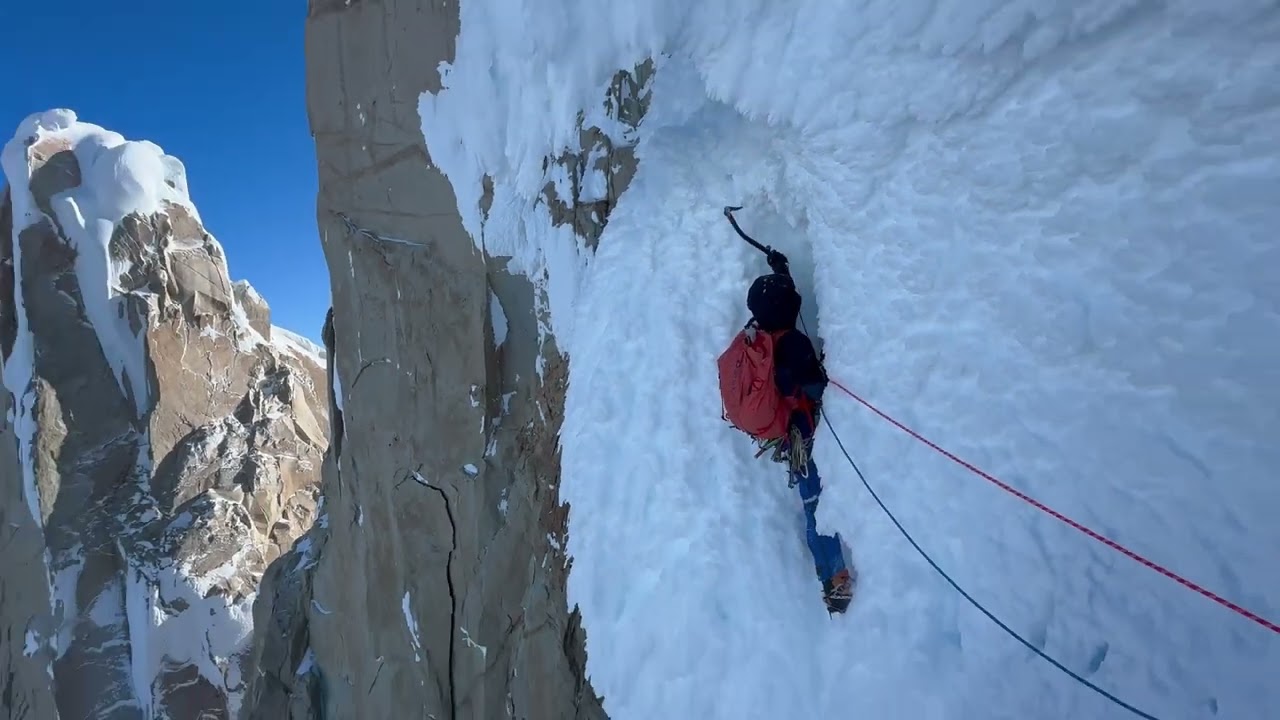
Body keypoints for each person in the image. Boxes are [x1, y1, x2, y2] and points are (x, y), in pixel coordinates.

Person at [745, 248, 854, 612]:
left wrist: (780, 269)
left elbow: (779, 304)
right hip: (801, 433)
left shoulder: (759, 333)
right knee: (814, 503)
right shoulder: (791, 344)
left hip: (786, 433)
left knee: (812, 500)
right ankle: (833, 579)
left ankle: (832, 575)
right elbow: (814, 386)